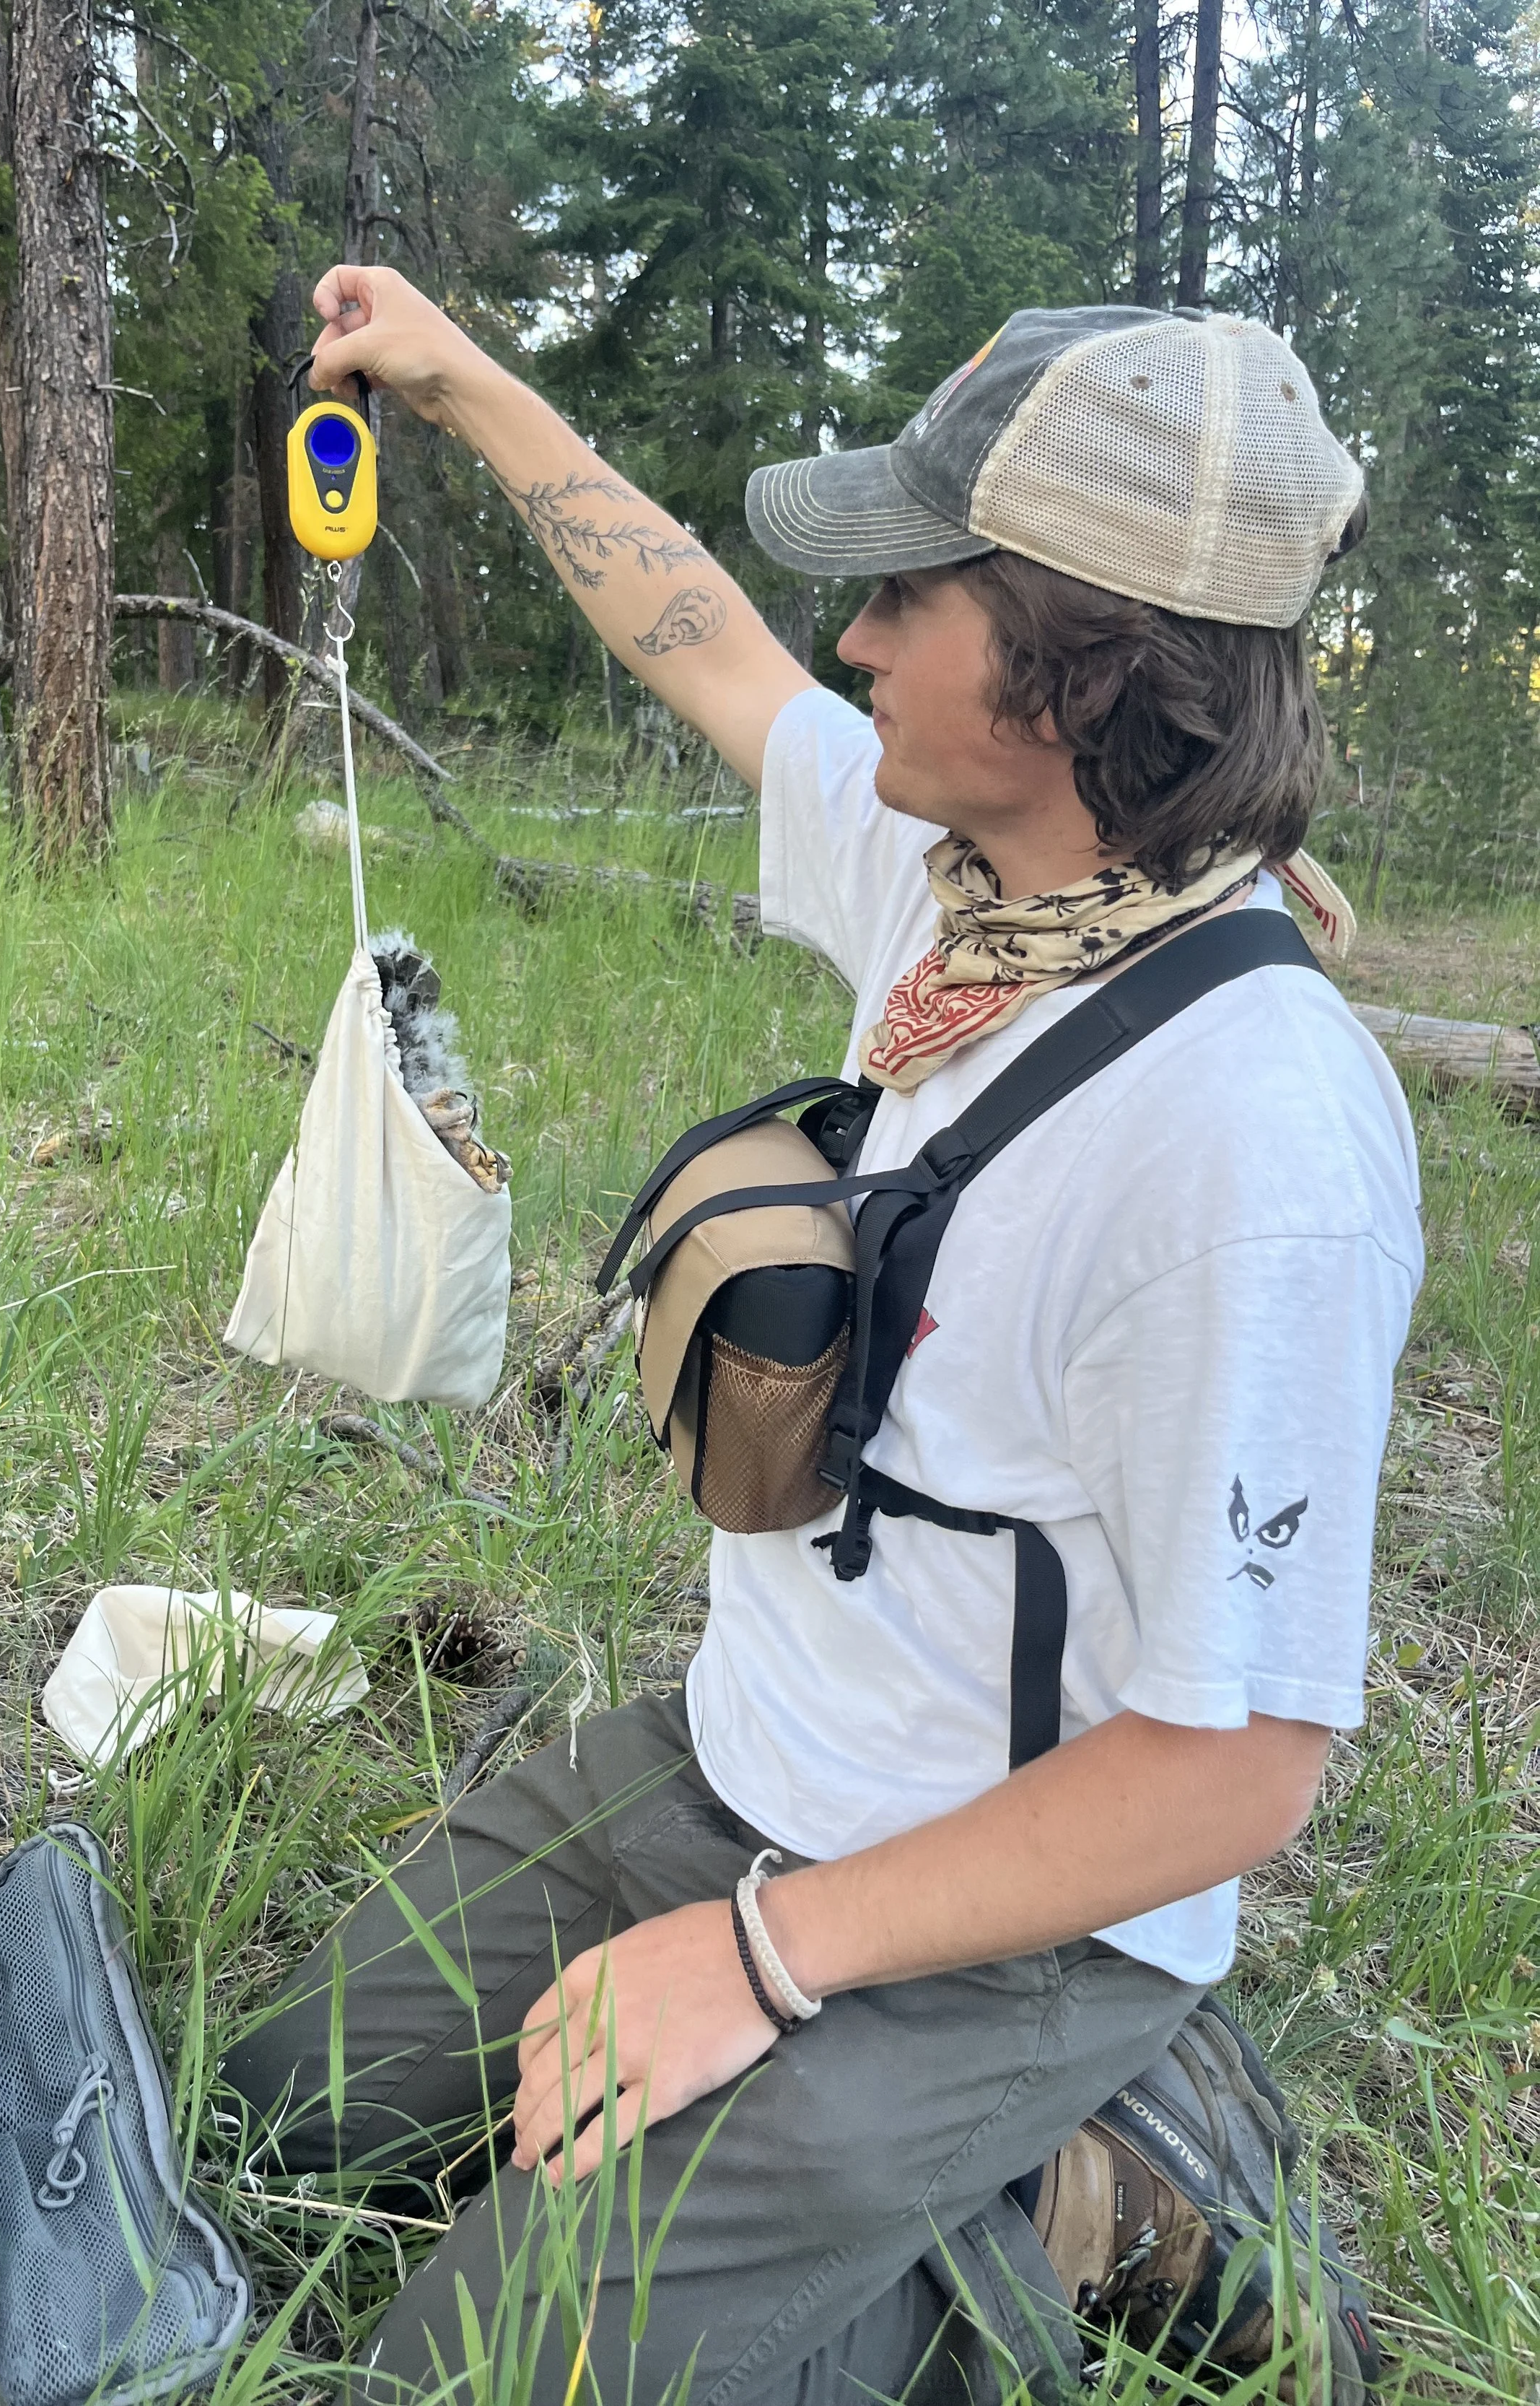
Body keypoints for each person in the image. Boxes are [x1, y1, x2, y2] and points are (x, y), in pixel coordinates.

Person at [223, 279, 1423, 2402]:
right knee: (265, 2116)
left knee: (471, 2371)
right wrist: (451, 373)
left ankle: (1106, 2184)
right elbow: (693, 630)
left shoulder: (1252, 1138)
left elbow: (1242, 1761)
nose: (852, 639)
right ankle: (927, 2185)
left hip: (998, 1939)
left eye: (906, 593)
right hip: (733, 1762)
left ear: (1081, 662)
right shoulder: (952, 885)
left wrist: (764, 1957)